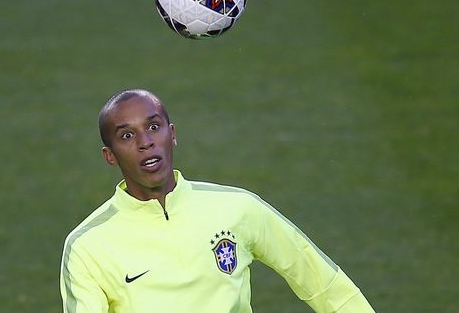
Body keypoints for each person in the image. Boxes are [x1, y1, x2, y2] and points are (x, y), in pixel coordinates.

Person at [60, 89, 375, 313]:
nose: (145, 142)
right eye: (127, 136)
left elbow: (324, 283)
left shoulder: (238, 208)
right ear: (109, 156)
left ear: (173, 134)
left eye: (153, 127)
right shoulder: (88, 246)